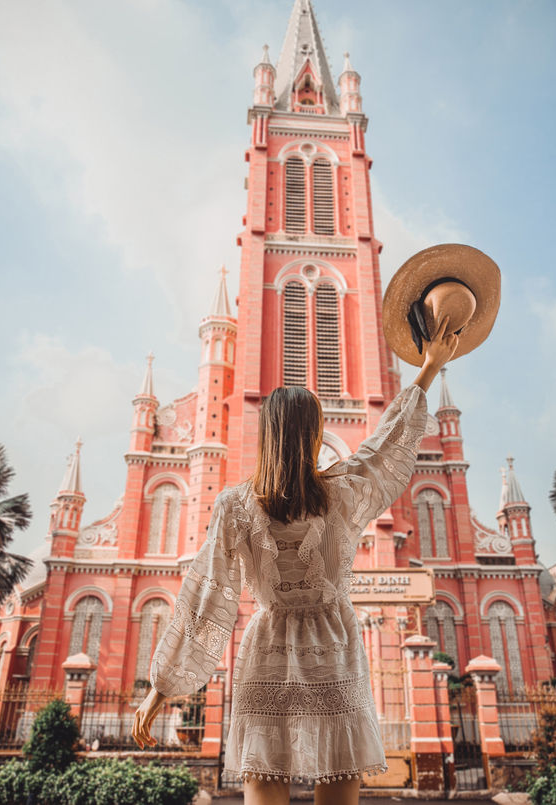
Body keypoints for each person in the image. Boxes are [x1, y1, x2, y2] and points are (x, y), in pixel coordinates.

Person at [132, 316, 458, 805]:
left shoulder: (235, 505)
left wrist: (162, 687)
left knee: (264, 778)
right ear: (314, 434)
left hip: (268, 647)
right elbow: (385, 442)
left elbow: (204, 596)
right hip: (333, 645)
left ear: (268, 434)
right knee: (338, 767)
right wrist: (429, 368)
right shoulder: (342, 493)